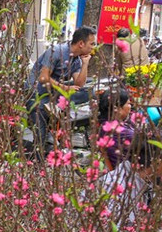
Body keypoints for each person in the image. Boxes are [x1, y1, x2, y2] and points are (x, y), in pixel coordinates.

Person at [26, 26, 97, 157]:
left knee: (89, 92)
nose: (93, 47)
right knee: (40, 137)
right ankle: (37, 160)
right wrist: (65, 88)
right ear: (81, 43)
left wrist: (85, 63)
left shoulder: (76, 59)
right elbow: (43, 78)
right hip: (36, 94)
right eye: (92, 44)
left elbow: (79, 83)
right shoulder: (57, 51)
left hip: (53, 94)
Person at [97, 88, 135, 169]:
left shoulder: (104, 125)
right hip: (127, 173)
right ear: (118, 109)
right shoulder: (121, 132)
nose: (130, 107)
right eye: (128, 103)